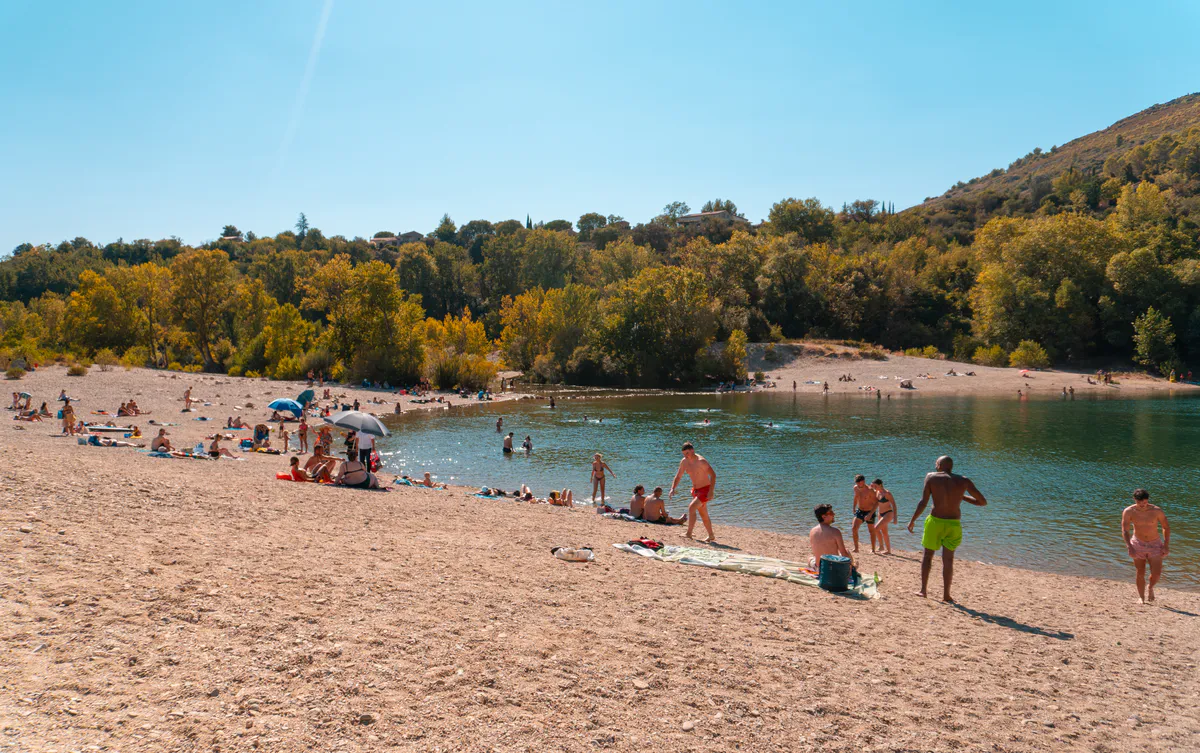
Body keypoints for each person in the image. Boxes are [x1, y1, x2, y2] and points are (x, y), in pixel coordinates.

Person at [907, 456, 987, 602]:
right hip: (953, 523)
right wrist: (961, 497)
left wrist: (913, 520)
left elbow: (923, 502)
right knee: (948, 560)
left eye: (936, 463)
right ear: (951, 466)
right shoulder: (964, 480)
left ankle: (923, 591)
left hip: (935, 522)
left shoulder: (931, 477)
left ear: (938, 465)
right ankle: (946, 595)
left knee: (927, 556)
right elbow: (982, 502)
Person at [1121, 489, 1171, 604]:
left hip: (1155, 544)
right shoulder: (1129, 511)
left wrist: (1166, 545)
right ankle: (1141, 597)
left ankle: (1150, 587)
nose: (1143, 505)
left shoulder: (1156, 510)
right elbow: (1125, 530)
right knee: (1140, 572)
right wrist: (1129, 546)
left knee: (1157, 573)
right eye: (1140, 503)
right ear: (1135, 500)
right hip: (1138, 543)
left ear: (1147, 500)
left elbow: (1166, 527)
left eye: (1145, 502)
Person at [669, 442, 717, 542]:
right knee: (703, 514)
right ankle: (711, 535)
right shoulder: (684, 462)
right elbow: (678, 476)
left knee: (692, 508)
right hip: (696, 490)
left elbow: (713, 475)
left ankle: (689, 534)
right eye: (684, 454)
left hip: (705, 490)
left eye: (687, 453)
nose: (686, 456)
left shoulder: (701, 461)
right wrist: (672, 488)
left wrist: (711, 491)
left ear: (692, 450)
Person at [808, 504, 854, 570]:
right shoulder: (835, 532)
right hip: (834, 569)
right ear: (824, 516)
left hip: (820, 568)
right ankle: (853, 568)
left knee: (810, 559)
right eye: (831, 513)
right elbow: (844, 553)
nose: (834, 514)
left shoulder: (812, 531)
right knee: (847, 551)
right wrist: (851, 566)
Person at [851, 475, 879, 553]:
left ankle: (873, 549)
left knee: (871, 531)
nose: (858, 484)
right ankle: (856, 548)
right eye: (857, 483)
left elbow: (876, 503)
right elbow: (856, 497)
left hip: (869, 512)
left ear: (863, 481)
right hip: (860, 511)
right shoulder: (855, 488)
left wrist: (870, 514)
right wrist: (853, 507)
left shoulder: (870, 490)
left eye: (859, 482)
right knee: (854, 528)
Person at [869, 479, 898, 555]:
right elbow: (876, 503)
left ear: (880, 485)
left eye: (876, 485)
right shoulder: (877, 492)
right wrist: (870, 513)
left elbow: (894, 505)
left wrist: (895, 518)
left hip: (888, 513)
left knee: (875, 528)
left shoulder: (887, 493)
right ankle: (888, 551)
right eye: (874, 486)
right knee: (884, 532)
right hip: (880, 513)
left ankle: (881, 546)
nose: (874, 487)